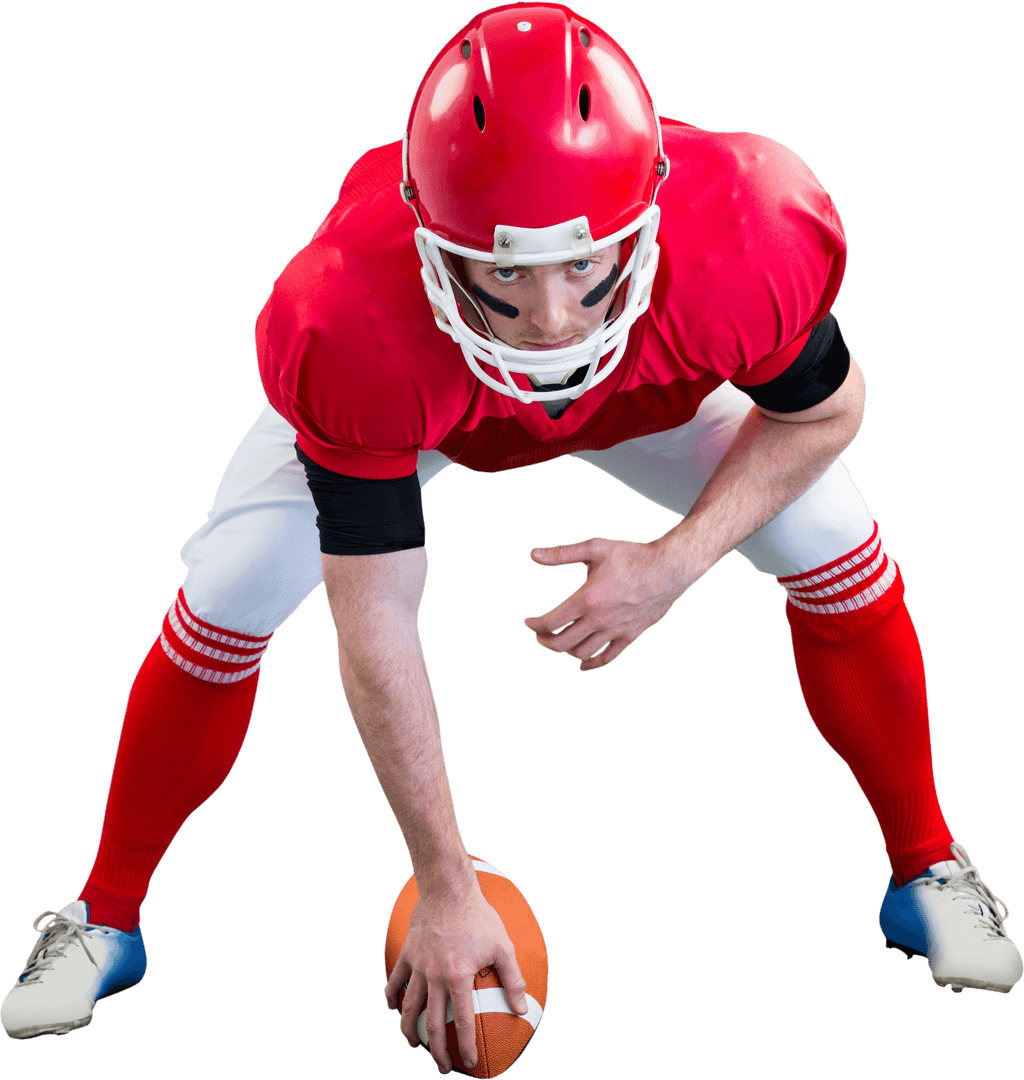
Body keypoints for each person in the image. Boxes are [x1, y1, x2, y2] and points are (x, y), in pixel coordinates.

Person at [2, 2, 1019, 1072]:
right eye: (507, 273)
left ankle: (925, 869)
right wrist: (443, 884)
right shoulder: (351, 322)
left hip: (654, 399)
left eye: (586, 266)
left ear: (654, 213)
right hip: (428, 403)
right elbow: (375, 617)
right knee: (230, 590)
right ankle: (106, 918)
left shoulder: (745, 230)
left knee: (833, 547)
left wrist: (673, 565)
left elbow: (824, 412)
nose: (553, 323)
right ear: (430, 237)